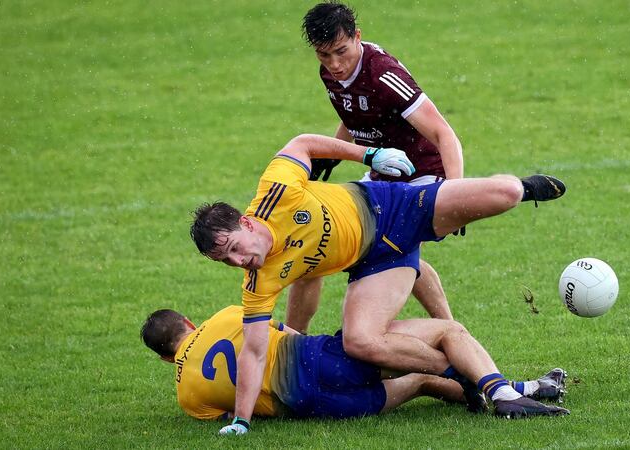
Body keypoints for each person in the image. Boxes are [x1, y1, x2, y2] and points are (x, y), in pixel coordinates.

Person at [189, 133, 567, 434]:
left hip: (392, 208)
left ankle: (525, 187)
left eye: (234, 248)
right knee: (359, 340)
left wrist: (369, 156)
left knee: (508, 194)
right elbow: (253, 353)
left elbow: (301, 142)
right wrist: (241, 420)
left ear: (247, 223)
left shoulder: (277, 191)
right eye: (226, 261)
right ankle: (495, 385)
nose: (238, 261)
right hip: (377, 264)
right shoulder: (257, 281)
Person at [284, 2, 466, 332]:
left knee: (388, 247)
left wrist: (458, 192)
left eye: (341, 52)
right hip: (383, 172)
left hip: (422, 170)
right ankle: (450, 332)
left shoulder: (383, 74)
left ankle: (446, 334)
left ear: (357, 36)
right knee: (392, 249)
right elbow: (352, 113)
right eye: (324, 55)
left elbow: (443, 133)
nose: (335, 64)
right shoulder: (329, 72)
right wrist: (334, 152)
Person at [140, 305, 568, 429]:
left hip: (315, 408)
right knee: (446, 331)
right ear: (190, 323)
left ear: (164, 358)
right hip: (320, 362)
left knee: (419, 380)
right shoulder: (226, 316)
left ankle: (506, 395)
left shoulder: (186, 399)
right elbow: (289, 331)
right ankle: (512, 390)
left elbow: (236, 411)